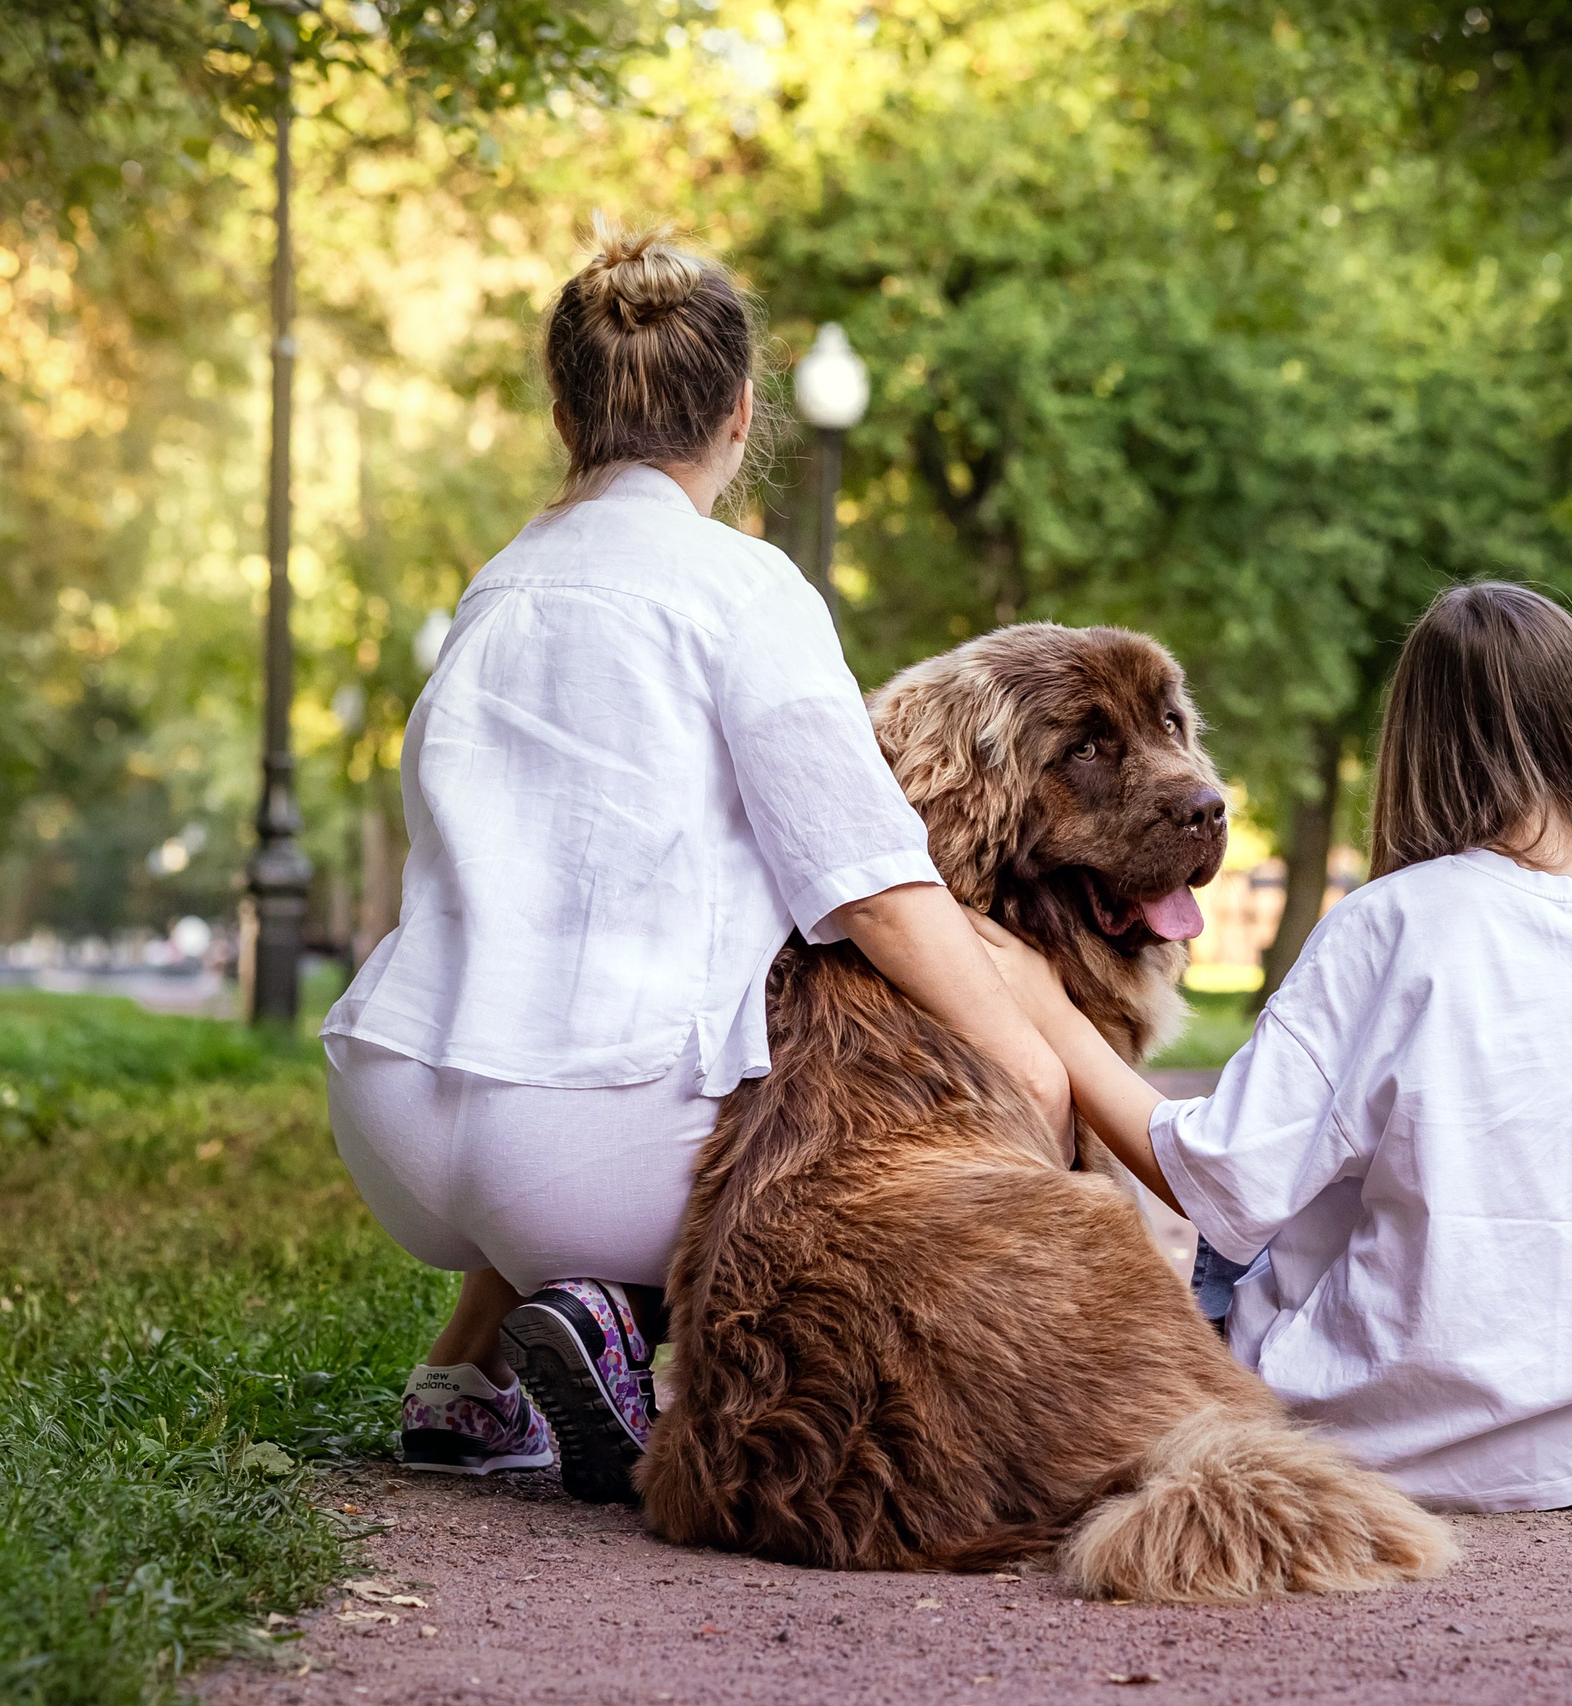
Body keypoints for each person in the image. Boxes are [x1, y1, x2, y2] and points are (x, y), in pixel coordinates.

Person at [321, 219, 1067, 1504]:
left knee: (599, 1022)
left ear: (565, 412)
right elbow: (875, 889)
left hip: (392, 1105)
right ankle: (622, 1324)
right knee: (847, 1060)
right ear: (739, 409)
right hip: (588, 1140)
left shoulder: (496, 589)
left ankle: (467, 1380)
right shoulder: (742, 587)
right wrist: (1033, 1063)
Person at [976, 581, 1572, 1513]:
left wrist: (1047, 1009)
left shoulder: (1394, 922)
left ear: (1417, 745)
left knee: (1256, 1217)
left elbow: (1227, 1182)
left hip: (1368, 1436)